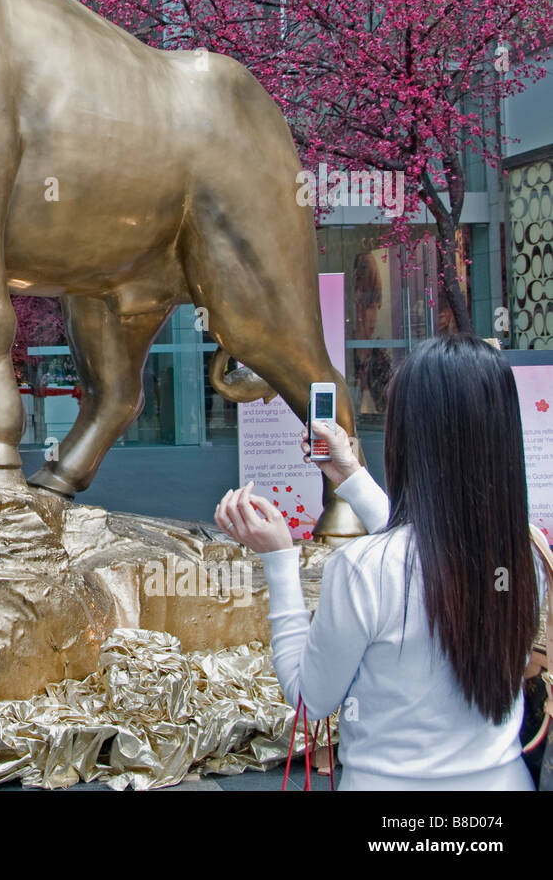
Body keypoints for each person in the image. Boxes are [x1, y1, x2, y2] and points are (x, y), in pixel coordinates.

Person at [215, 333, 548, 790]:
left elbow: (310, 699)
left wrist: (279, 558)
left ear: (408, 437)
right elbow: (432, 548)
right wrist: (350, 477)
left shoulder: (362, 568)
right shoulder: (522, 558)